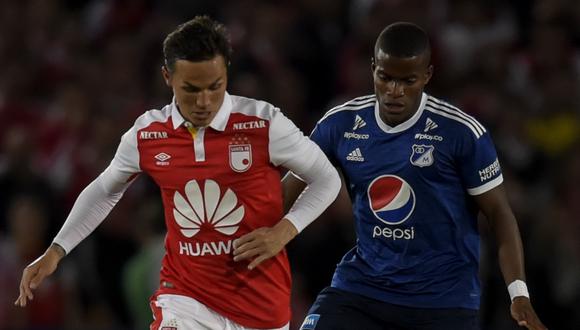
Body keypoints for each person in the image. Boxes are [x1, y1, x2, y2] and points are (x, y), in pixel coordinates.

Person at [15, 16, 341, 330]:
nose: (204, 101)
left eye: (215, 87)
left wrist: (284, 231)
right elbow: (105, 190)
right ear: (167, 77)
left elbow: (325, 178)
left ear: (226, 71)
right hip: (185, 298)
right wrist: (56, 250)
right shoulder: (147, 134)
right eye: (191, 89)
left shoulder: (264, 123)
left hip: (261, 301)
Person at [283, 22, 547, 330]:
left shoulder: (461, 133)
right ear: (373, 69)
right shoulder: (341, 124)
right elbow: (287, 191)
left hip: (442, 301)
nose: (394, 91)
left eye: (407, 80)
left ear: (427, 75)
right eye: (385, 78)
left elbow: (499, 214)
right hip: (362, 288)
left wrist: (518, 293)